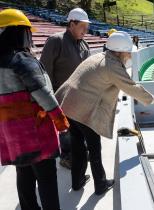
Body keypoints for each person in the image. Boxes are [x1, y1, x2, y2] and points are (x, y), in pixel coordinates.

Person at [55, 31, 154, 195]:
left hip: (69, 107)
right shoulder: (112, 65)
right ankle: (100, 185)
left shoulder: (98, 57)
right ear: (119, 51)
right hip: (84, 112)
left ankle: (77, 182)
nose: (129, 55)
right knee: (94, 149)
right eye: (128, 51)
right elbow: (131, 87)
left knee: (77, 147)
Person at [0, 9, 69, 210]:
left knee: (23, 174)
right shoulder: (21, 59)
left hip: (11, 135)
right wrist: (60, 118)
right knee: (46, 179)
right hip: (35, 131)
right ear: (18, 32)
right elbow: (42, 92)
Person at [40, 7, 91, 169]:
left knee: (79, 130)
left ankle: (78, 152)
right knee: (65, 130)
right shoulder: (56, 41)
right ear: (72, 24)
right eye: (82, 26)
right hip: (60, 97)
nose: (86, 30)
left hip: (80, 96)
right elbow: (44, 71)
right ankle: (67, 156)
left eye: (86, 26)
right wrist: (49, 98)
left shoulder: (84, 45)